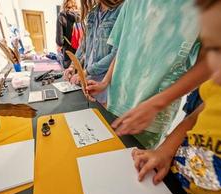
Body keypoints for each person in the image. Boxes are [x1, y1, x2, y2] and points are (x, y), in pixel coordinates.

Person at [132, 0, 221, 194]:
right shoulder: (219, 86)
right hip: (175, 180)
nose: (217, 77)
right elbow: (194, 117)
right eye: (216, 49)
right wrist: (164, 151)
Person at [86, 0, 211, 148]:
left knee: (131, 167)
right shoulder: (131, 3)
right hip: (115, 103)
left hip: (151, 117)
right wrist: (105, 82)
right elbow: (123, 47)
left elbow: (210, 63)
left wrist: (157, 104)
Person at [63, 0, 124, 106]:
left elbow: (117, 53)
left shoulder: (121, 9)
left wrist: (86, 72)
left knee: (104, 117)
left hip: (107, 81)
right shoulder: (93, 12)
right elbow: (84, 45)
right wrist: (72, 66)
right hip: (90, 79)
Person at [56, 0, 80, 69]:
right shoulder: (81, 16)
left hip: (68, 53)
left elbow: (59, 41)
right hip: (81, 53)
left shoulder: (61, 16)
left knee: (69, 75)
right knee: (78, 77)